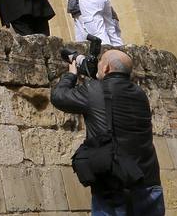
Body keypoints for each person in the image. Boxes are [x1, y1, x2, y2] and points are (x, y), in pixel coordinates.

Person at [52, 49, 165, 216]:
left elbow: (59, 97)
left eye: (100, 63)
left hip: (114, 184)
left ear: (105, 68)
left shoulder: (93, 90)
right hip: (147, 181)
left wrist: (71, 74)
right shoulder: (140, 94)